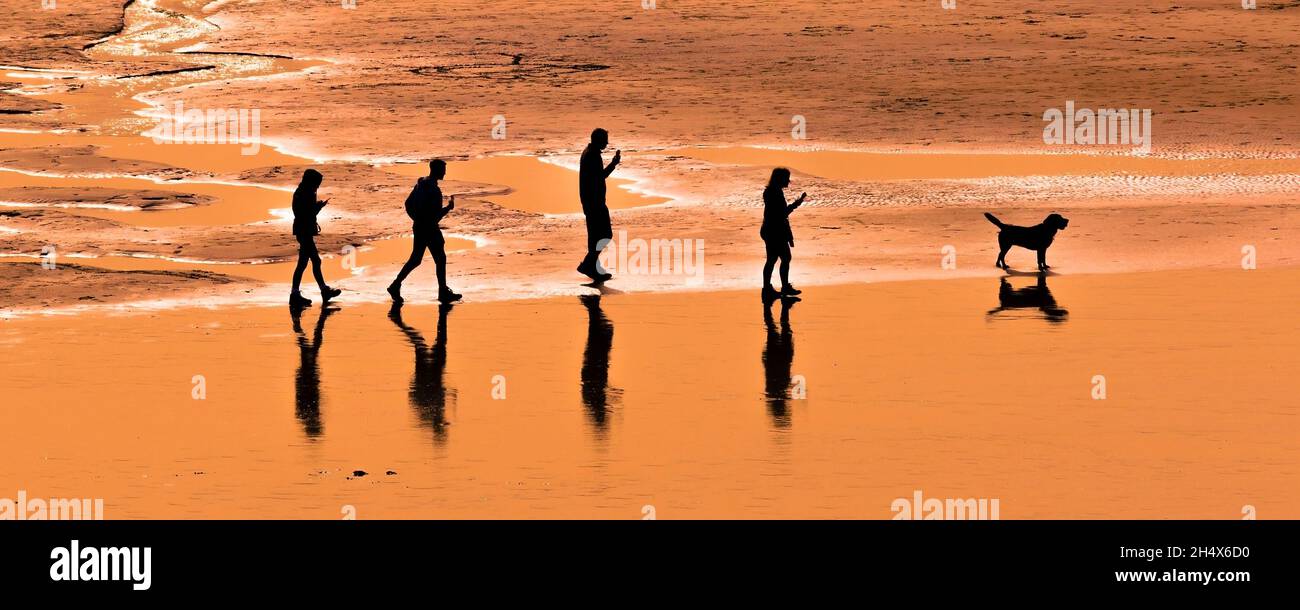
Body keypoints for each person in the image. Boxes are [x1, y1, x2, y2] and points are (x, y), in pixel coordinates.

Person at [388, 159, 462, 303]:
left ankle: (395, 285)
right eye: (443, 169)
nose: (445, 172)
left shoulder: (421, 183)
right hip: (429, 228)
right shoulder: (433, 190)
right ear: (437, 170)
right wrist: (448, 208)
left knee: (416, 259)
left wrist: (416, 219)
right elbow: (435, 216)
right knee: (440, 259)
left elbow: (408, 203)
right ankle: (443, 292)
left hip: (420, 226)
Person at [290, 169, 341, 307]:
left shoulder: (303, 192)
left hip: (303, 231)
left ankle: (300, 293)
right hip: (304, 231)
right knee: (313, 262)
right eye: (317, 184)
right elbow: (304, 213)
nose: (318, 187)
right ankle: (319, 291)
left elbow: (306, 211)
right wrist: (318, 207)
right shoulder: (303, 194)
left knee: (304, 263)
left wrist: (316, 207)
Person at [577, 128, 620, 282]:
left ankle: (594, 268)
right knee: (605, 235)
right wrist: (613, 164)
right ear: (598, 140)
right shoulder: (592, 155)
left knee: (595, 237)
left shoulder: (588, 152)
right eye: (605, 140)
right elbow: (600, 177)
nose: (607, 143)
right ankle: (588, 264)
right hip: (595, 202)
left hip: (589, 201)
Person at [760, 168, 806, 299]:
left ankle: (768, 288)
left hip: (771, 230)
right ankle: (781, 287)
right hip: (774, 231)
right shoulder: (773, 193)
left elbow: (780, 214)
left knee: (773, 259)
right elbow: (782, 214)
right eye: (786, 178)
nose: (788, 181)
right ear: (780, 179)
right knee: (784, 258)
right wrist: (796, 204)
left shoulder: (772, 191)